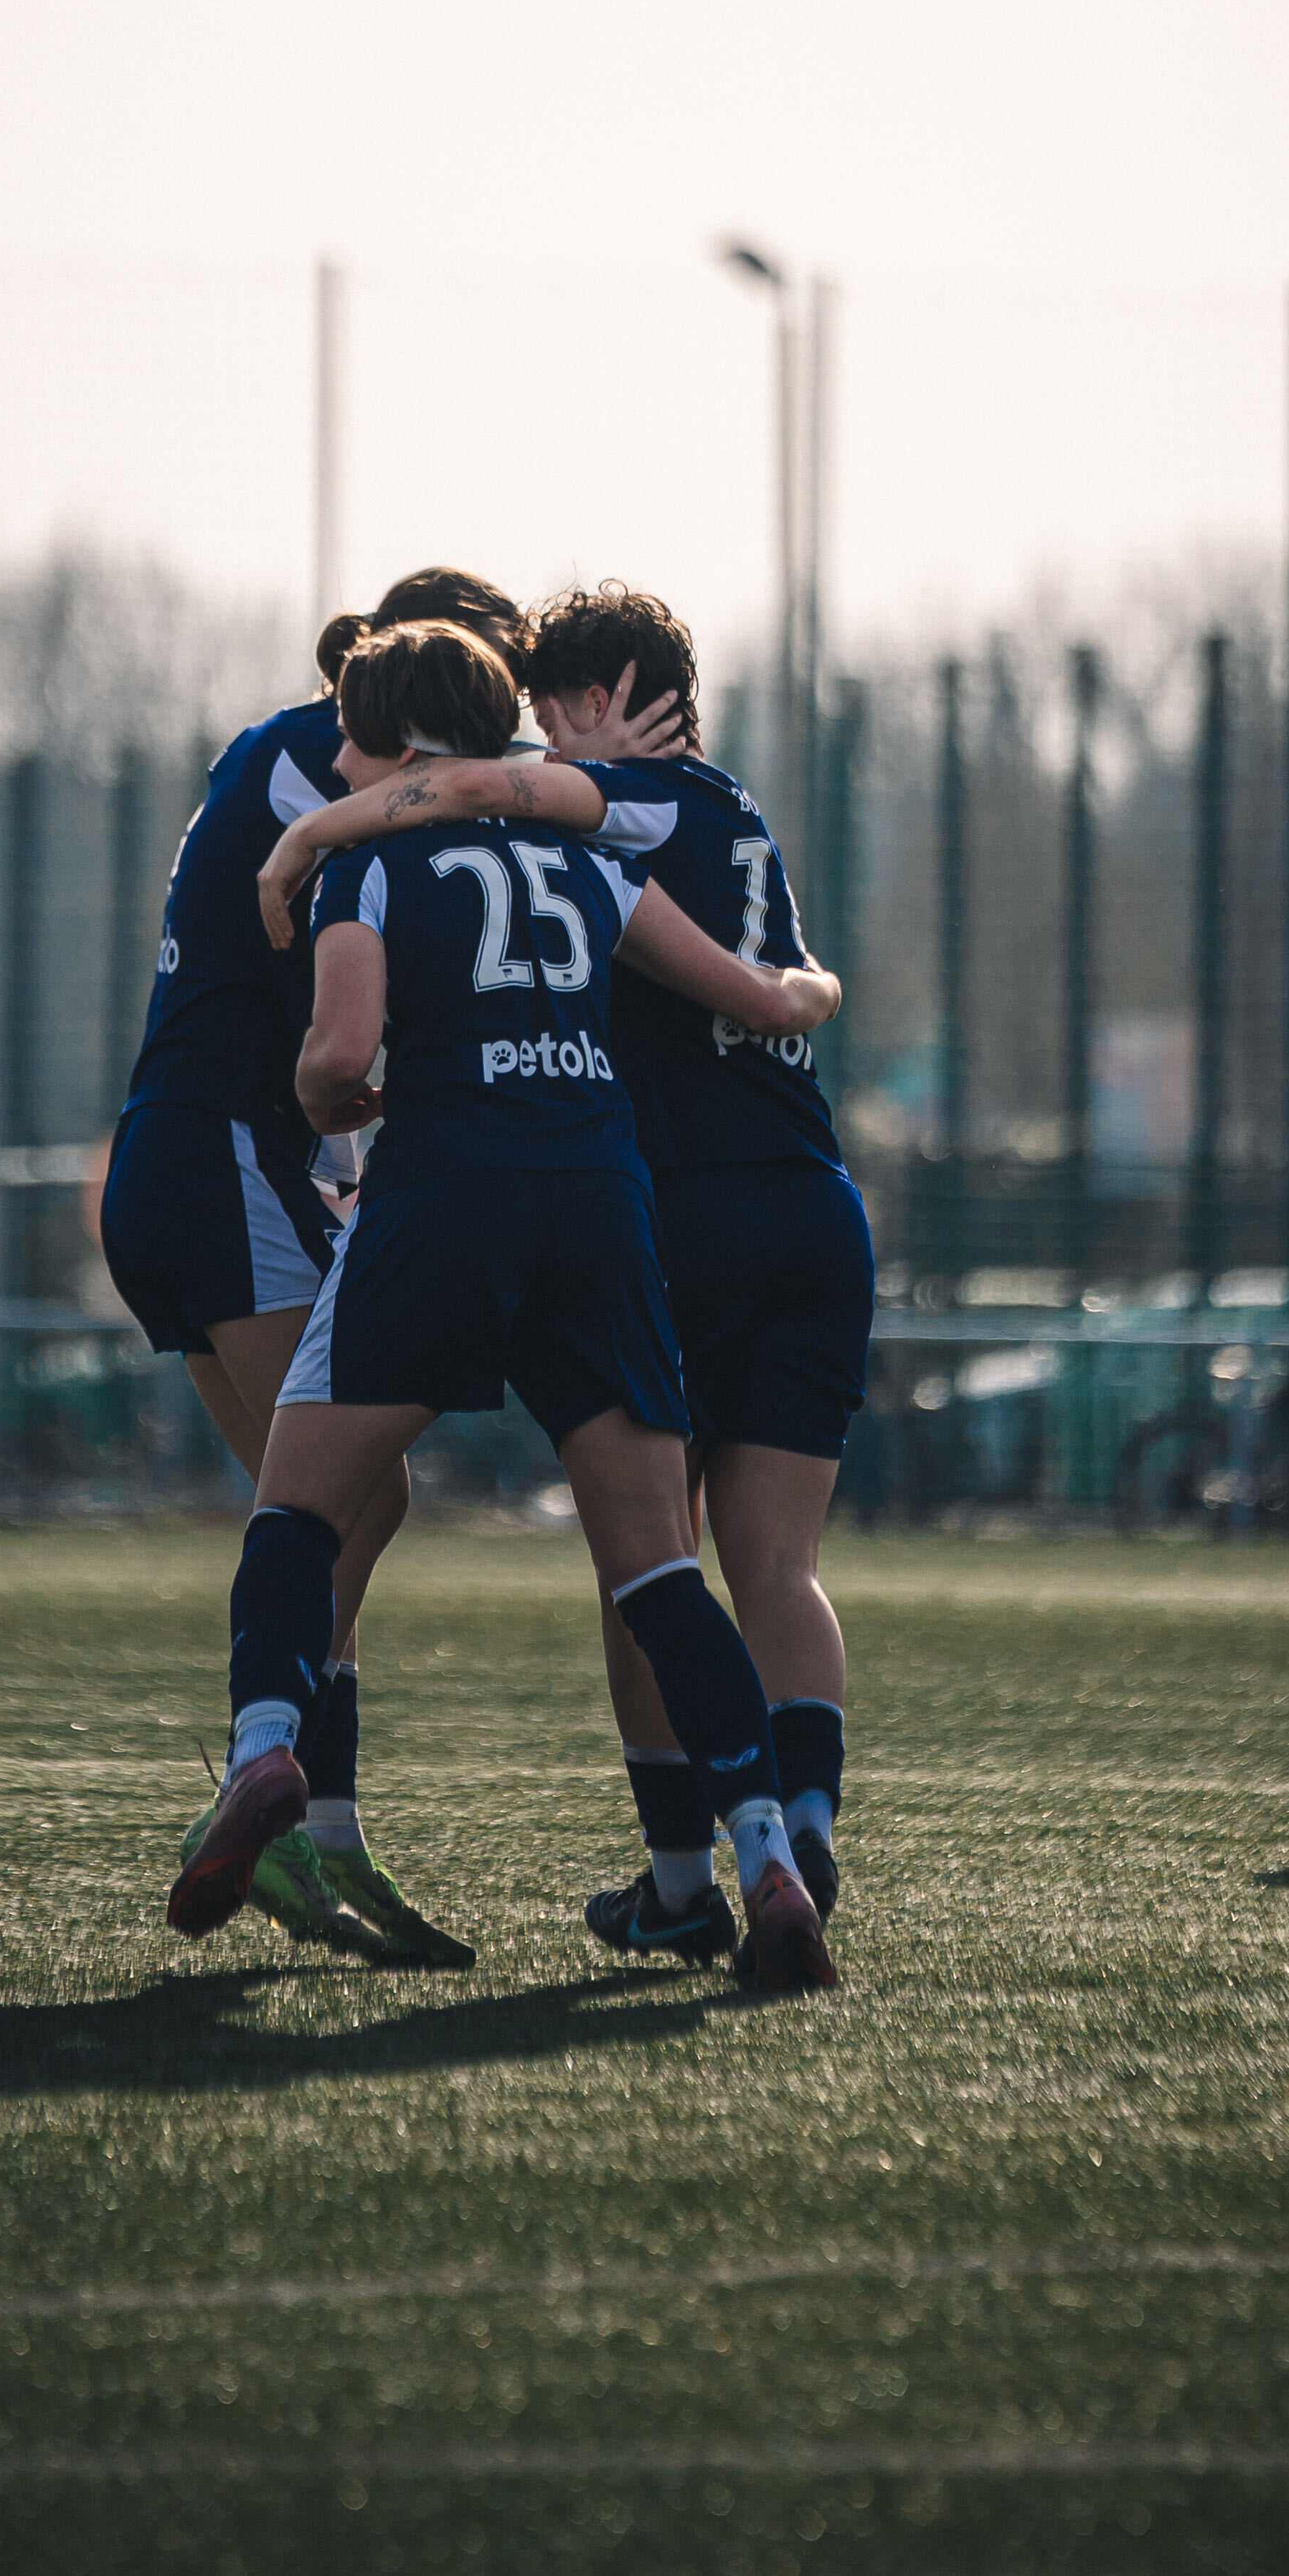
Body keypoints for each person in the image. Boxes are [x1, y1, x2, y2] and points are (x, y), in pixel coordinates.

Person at [171, 617, 844, 1992]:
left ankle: (263, 1750)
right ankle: (766, 1852)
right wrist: (816, 981)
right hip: (598, 1209)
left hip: (440, 1201)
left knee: (298, 1511)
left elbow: (341, 1052)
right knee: (661, 1568)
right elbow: (748, 991)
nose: (343, 762)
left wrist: (327, 1094)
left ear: (397, 738)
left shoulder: (370, 860)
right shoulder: (596, 862)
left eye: (356, 736)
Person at [100, 564, 529, 1966]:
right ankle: (278, 1795)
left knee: (343, 1502)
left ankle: (306, 1825)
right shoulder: (329, 774)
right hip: (224, 1164)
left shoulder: (279, 752)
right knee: (334, 1497)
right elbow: (426, 818)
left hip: (197, 1162)